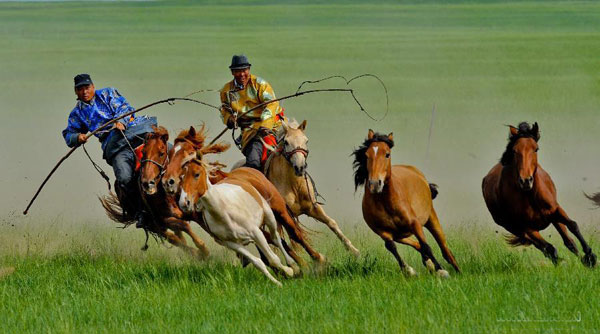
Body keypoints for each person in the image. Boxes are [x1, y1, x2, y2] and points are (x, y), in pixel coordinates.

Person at [62, 74, 157, 226]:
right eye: (80, 89)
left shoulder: (108, 93)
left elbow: (124, 108)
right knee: (124, 178)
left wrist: (121, 121)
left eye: (87, 87)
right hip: (116, 148)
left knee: (166, 151)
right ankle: (141, 212)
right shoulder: (77, 114)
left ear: (93, 87)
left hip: (136, 133)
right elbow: (68, 135)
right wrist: (77, 137)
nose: (84, 92)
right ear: (75, 92)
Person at [219, 54, 285, 170]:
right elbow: (224, 109)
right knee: (254, 163)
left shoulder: (260, 84)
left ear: (249, 70)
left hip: (272, 125)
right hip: (251, 132)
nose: (242, 74)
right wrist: (230, 120)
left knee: (297, 152)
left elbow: (272, 104)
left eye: (244, 70)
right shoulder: (226, 91)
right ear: (232, 72)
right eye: (238, 71)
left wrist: (265, 125)